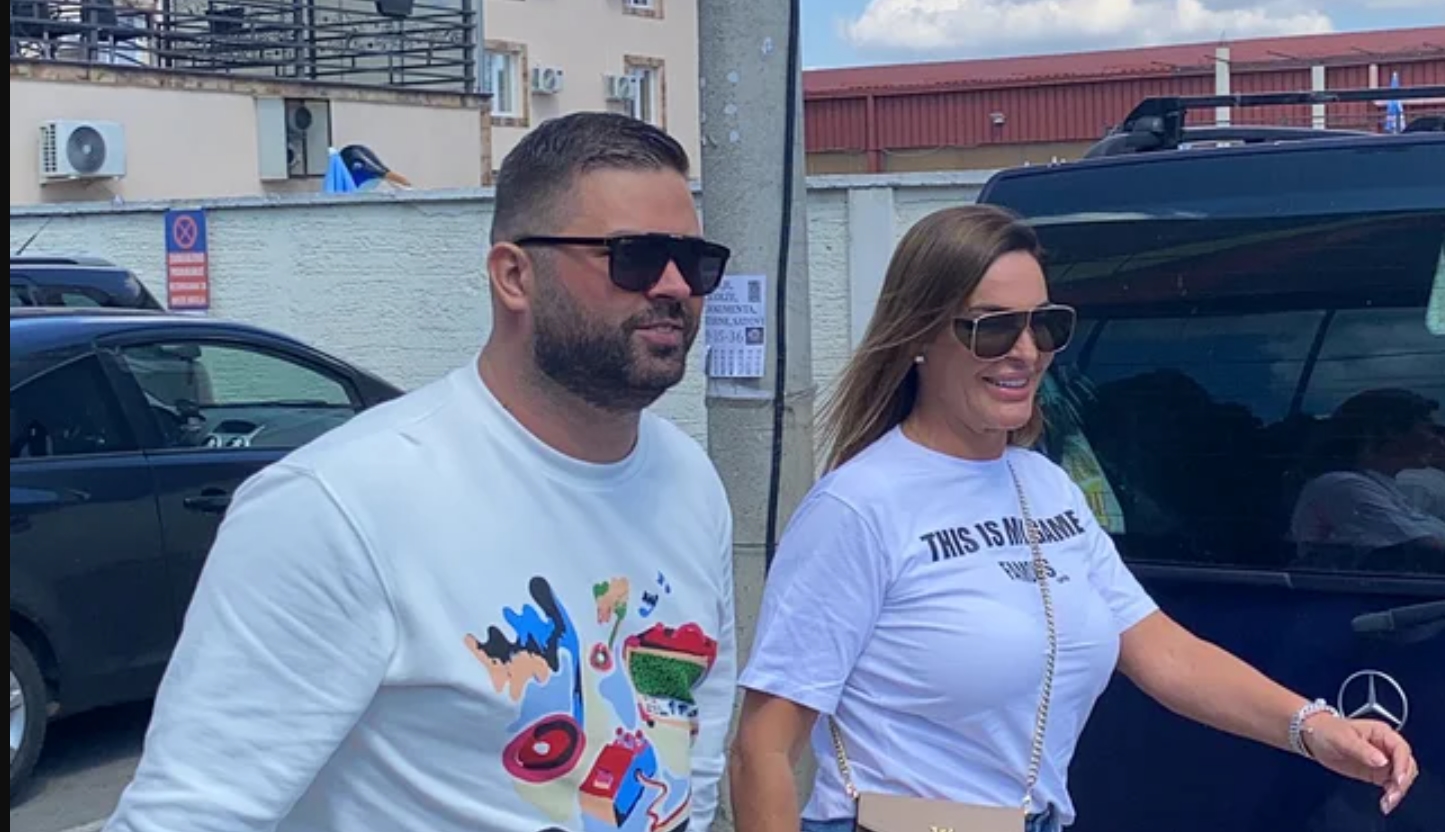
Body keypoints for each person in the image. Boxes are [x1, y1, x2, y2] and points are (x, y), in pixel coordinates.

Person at [104, 112, 739, 832]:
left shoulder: (690, 482)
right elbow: (190, 813)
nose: (673, 286)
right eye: (635, 256)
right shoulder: (337, 506)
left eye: (694, 261)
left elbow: (691, 747)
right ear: (514, 276)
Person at [727, 205, 1419, 832]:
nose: (1026, 351)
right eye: (992, 327)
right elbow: (762, 748)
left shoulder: (1046, 487)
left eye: (1046, 324)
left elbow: (1164, 655)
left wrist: (1315, 728)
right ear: (918, 337)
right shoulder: (856, 507)